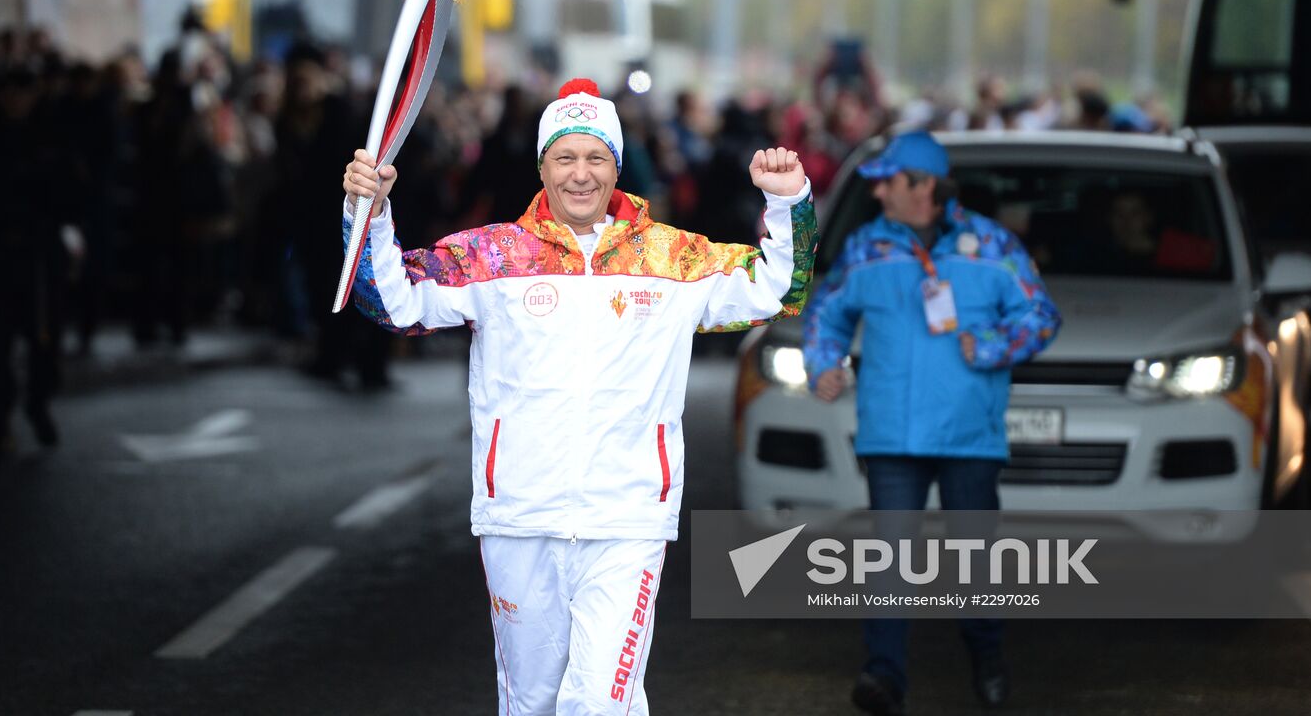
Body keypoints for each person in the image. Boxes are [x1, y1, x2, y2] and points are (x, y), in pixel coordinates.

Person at [341, 77, 816, 715]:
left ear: (617, 166)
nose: (581, 174)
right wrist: (368, 213)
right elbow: (390, 301)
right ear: (542, 166)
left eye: (597, 157)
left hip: (627, 519)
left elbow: (779, 289)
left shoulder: (674, 259)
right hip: (519, 513)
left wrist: (789, 204)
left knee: (599, 701)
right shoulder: (492, 257)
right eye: (565, 157)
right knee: (531, 702)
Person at [802, 131, 1061, 716]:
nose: (879, 193)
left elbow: (1041, 316)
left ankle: (987, 656)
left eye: (889, 182)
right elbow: (826, 313)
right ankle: (883, 674)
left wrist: (992, 345)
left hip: (970, 435)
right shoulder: (870, 248)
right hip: (891, 433)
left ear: (923, 187)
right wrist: (823, 364)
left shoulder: (991, 248)